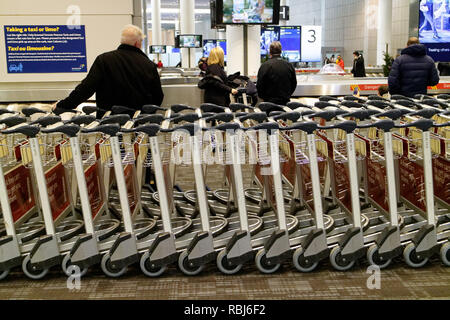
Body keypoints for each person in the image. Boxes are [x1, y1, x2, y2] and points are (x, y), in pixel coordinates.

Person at [54, 25, 163, 117]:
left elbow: (86, 88)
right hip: (138, 122)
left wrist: (64, 105)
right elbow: (158, 96)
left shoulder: (104, 60)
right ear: (136, 43)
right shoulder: (148, 65)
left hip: (109, 122)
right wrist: (145, 114)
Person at [257, 41, 297, 106]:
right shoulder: (289, 65)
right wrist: (287, 95)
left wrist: (263, 97)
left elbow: (260, 85)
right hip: (285, 103)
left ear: (270, 51)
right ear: (281, 51)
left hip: (269, 104)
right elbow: (294, 83)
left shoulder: (265, 66)